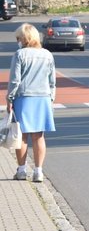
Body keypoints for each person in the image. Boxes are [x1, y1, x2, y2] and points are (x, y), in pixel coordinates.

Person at [7, 24, 57, 182]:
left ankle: (21, 171)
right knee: (39, 136)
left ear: (24, 38)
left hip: (24, 97)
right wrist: (51, 98)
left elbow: (15, 80)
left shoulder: (20, 54)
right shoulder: (47, 54)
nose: (17, 41)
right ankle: (38, 172)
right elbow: (52, 81)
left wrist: (9, 98)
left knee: (22, 136)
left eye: (18, 38)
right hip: (42, 98)